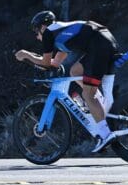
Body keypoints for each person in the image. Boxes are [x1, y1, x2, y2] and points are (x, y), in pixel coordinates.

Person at [14, 10, 120, 152]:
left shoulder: (49, 33)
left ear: (43, 27)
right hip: (105, 39)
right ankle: (99, 106)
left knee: (88, 95)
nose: (36, 36)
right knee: (75, 71)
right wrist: (34, 59)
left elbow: (45, 63)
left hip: (99, 45)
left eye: (36, 31)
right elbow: (55, 64)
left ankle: (105, 134)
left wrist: (26, 55)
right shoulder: (61, 35)